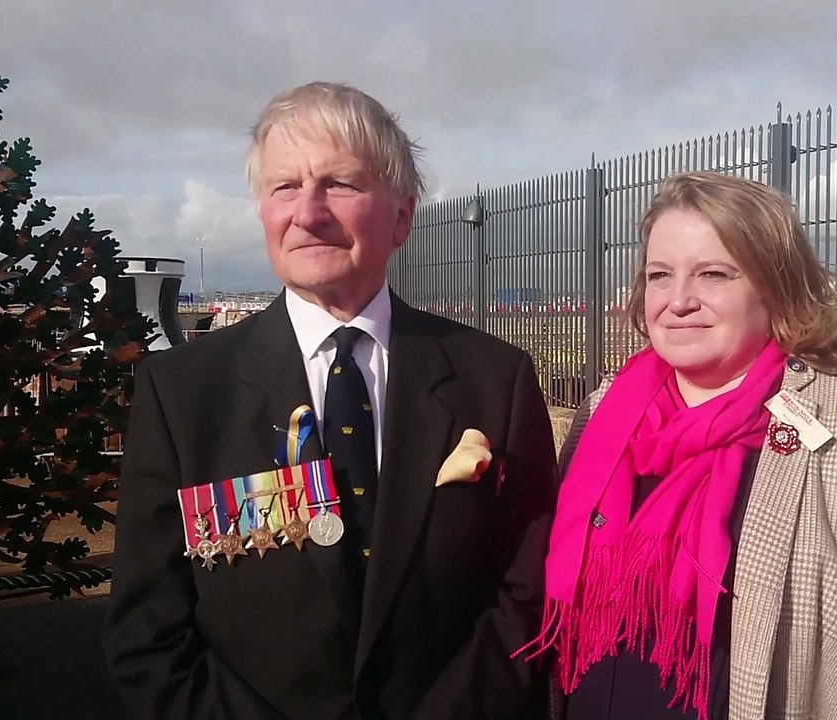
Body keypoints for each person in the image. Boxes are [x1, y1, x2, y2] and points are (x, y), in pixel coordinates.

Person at [103, 82, 559, 720]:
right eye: (284, 187)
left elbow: (529, 595)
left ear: (402, 215)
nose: (308, 211)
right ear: (262, 211)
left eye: (340, 184)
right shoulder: (181, 393)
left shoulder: (496, 379)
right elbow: (148, 633)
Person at [516, 172, 837, 719]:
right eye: (659, 275)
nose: (678, 300)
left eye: (713, 274)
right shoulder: (605, 411)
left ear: (776, 289)